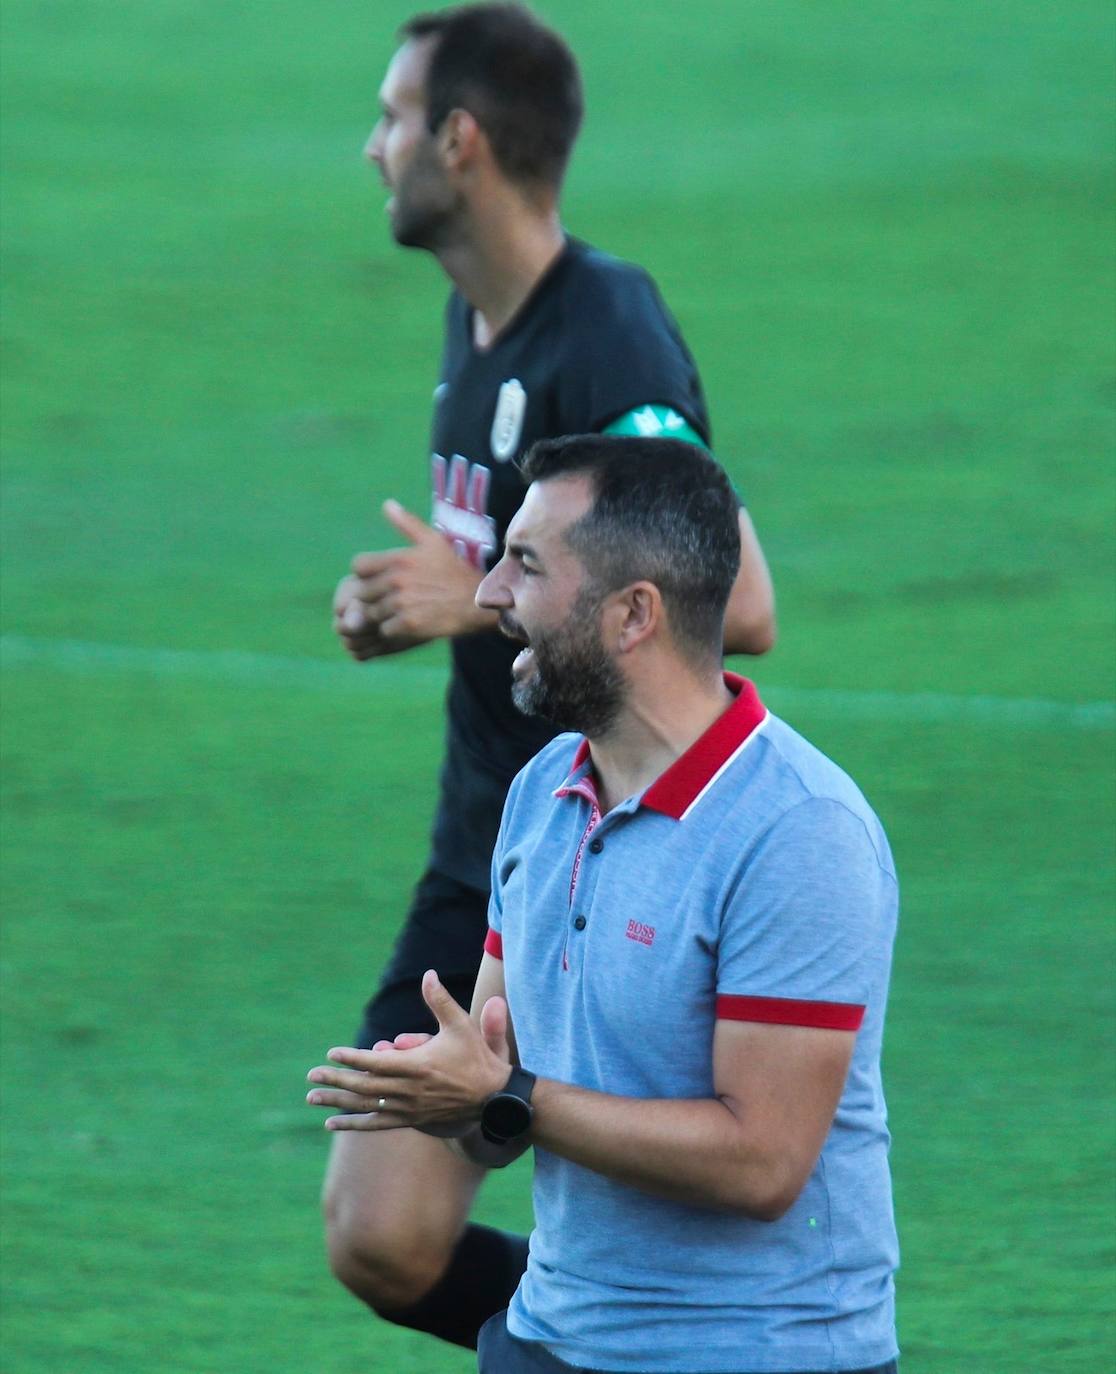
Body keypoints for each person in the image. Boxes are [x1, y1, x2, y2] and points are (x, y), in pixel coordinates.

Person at [325, 3, 777, 1352]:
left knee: (429, 1212)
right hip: (489, 836)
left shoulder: (608, 336)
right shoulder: (479, 322)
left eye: (395, 118)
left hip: (605, 849)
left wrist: (468, 599)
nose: (374, 147)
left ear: (460, 142)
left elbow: (738, 601)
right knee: (380, 1232)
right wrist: (417, 604)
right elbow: (514, 580)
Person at [309, 434, 899, 1374]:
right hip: (552, 1337)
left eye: (525, 565)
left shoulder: (798, 831)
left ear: (633, 614)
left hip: (755, 1353)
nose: (489, 594)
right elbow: (503, 1107)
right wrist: (449, 1095)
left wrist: (504, 1094)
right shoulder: (542, 791)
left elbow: (762, 1164)